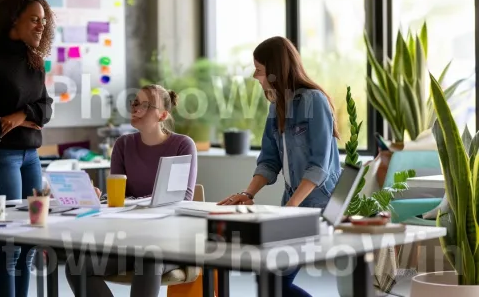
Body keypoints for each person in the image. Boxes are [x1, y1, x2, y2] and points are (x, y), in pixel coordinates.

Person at [218, 36, 342, 297]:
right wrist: (248, 193)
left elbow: (319, 166)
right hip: (294, 205)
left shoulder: (314, 101)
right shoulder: (278, 106)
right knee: (270, 281)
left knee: (273, 282)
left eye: (259, 70)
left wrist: (290, 209)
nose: (255, 76)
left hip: (319, 206)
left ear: (275, 70)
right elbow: (269, 160)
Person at [65, 84, 198, 297]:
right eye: (135, 103)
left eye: (145, 105)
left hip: (170, 242)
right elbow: (118, 198)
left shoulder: (183, 145)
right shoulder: (122, 145)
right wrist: (98, 199)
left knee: (148, 261)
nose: (136, 109)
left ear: (163, 115)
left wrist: (134, 201)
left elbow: (183, 200)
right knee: (76, 266)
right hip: (130, 241)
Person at [0, 0, 54, 297]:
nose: (40, 26)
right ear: (12, 20)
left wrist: (21, 116)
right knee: (8, 242)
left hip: (30, 155)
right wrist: (19, 119)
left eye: (43, 21)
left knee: (30, 239)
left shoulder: (35, 62)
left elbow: (46, 108)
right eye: (34, 19)